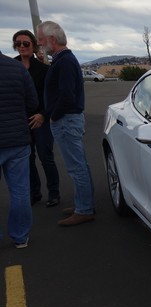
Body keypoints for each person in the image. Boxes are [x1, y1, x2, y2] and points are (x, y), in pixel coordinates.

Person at [37, 20, 95, 226]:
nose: (39, 43)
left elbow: (67, 95)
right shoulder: (63, 60)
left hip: (66, 120)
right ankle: (84, 203)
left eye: (40, 39)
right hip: (68, 119)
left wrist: (53, 115)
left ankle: (84, 209)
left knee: (76, 167)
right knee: (80, 165)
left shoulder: (64, 62)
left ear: (52, 39)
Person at [13, 29, 61, 207]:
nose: (22, 46)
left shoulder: (43, 69)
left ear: (33, 45)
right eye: (18, 43)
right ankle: (34, 193)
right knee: (27, 159)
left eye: (26, 43)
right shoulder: (12, 66)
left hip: (41, 119)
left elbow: (52, 97)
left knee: (45, 157)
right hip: (20, 121)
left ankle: (54, 193)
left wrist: (43, 115)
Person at [0, 48, 38, 248]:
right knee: (20, 191)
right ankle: (20, 236)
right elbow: (33, 102)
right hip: (17, 139)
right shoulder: (17, 68)